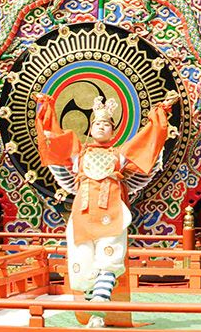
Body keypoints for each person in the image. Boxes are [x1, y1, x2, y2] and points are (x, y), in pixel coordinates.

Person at [35, 91, 178, 327]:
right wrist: (47, 107)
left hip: (112, 213)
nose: (101, 127)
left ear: (114, 131)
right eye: (97, 123)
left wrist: (161, 110)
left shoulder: (119, 156)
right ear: (90, 129)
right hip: (82, 215)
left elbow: (147, 139)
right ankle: (93, 308)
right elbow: (56, 138)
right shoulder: (78, 154)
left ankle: (98, 312)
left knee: (108, 261)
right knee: (82, 266)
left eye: (106, 124)